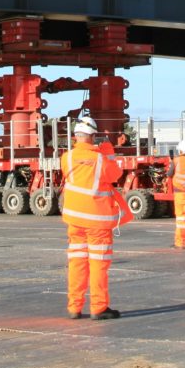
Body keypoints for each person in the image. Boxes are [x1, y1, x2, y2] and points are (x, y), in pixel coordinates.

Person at [60, 117, 124, 320]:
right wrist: (109, 153)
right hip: (97, 221)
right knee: (98, 263)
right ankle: (98, 307)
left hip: (74, 220)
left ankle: (74, 307)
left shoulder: (67, 158)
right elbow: (115, 175)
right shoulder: (101, 160)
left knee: (77, 262)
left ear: (75, 137)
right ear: (93, 136)